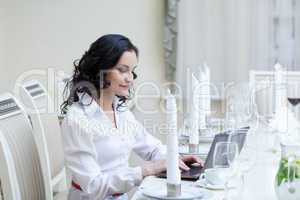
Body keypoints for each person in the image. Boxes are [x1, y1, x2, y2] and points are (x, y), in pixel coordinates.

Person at [61, 34, 203, 200]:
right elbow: (93, 186)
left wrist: (173, 159)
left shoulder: (121, 110)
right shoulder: (77, 119)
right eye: (122, 70)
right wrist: (145, 170)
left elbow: (151, 148)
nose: (130, 78)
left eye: (132, 71)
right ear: (101, 70)